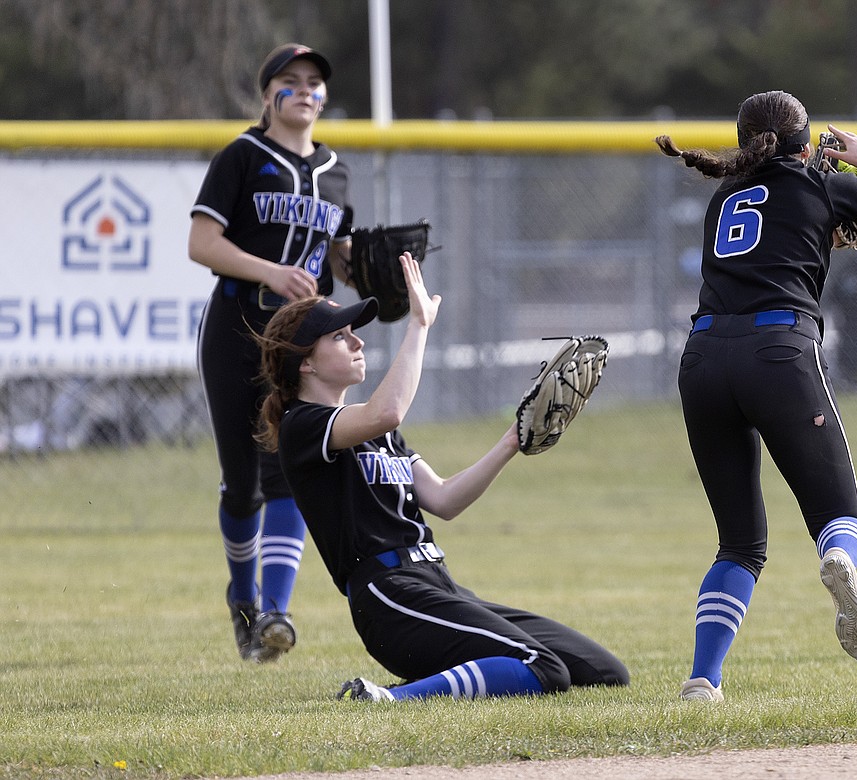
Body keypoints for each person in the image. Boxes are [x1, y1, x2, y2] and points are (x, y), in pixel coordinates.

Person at [655, 90, 857, 702]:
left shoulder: (723, 199)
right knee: (841, 519)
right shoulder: (822, 185)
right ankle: (840, 562)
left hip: (703, 359)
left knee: (739, 541)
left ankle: (703, 680)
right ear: (803, 140)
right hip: (777, 352)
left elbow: (782, 240)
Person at [252, 251, 630, 702]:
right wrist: (419, 325)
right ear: (306, 364)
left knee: (605, 672)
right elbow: (387, 410)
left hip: (437, 582)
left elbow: (445, 499)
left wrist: (512, 439)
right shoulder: (303, 425)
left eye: (354, 334)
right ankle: (390, 701)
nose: (358, 344)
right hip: (390, 599)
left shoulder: (380, 435)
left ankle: (409, 689)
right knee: (542, 667)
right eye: (340, 337)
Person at [188, 43, 354, 663]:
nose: (305, 91)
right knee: (242, 486)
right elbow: (202, 242)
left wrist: (367, 263)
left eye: (314, 82)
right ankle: (244, 598)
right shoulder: (241, 156)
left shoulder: (336, 169)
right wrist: (272, 270)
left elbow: (335, 257)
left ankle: (276, 614)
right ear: (267, 96)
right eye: (291, 81)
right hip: (236, 326)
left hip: (296, 339)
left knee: (290, 469)